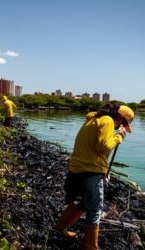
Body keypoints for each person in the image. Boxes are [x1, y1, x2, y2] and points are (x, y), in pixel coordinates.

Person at [54, 103, 134, 250]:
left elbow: (95, 151)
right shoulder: (108, 121)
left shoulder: (93, 120)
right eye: (123, 124)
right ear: (119, 118)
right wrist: (119, 137)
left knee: (82, 203)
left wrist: (104, 171)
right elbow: (103, 147)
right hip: (89, 172)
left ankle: (59, 229)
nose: (120, 127)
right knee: (95, 209)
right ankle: (91, 247)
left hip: (76, 169)